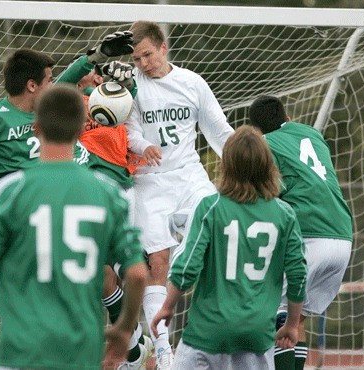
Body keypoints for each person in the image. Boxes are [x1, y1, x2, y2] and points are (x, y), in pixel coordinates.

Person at [0, 84, 149, 369]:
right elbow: (137, 275)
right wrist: (124, 331)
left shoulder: (8, 193)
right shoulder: (107, 193)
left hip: (22, 351)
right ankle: (138, 348)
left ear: (36, 128)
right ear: (81, 131)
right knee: (106, 276)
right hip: (82, 352)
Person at [151, 125, 307, 370]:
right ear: (268, 166)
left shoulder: (211, 207)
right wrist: (293, 323)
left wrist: (167, 307)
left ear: (228, 165)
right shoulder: (285, 214)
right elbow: (298, 274)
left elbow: (187, 268)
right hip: (257, 335)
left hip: (207, 333)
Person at [126, 20, 235, 369]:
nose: (143, 63)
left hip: (189, 176)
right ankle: (162, 347)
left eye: (147, 55)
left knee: (214, 232)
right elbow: (128, 132)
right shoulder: (131, 87)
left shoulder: (192, 83)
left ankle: (217, 327)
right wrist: (144, 146)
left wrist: (248, 161)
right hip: (150, 181)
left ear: (163, 48)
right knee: (158, 262)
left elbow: (218, 130)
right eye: (137, 58)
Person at [0, 31, 134, 217]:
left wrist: (99, 54)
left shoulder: (47, 111)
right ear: (32, 86)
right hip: (13, 208)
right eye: (50, 80)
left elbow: (69, 80)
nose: (54, 85)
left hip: (51, 204)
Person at [248, 95, 353, 370]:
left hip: (310, 236)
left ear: (257, 131)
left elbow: (268, 193)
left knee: (276, 313)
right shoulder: (311, 134)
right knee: (297, 318)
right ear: (288, 118)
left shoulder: (265, 145)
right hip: (342, 236)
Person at [67, 53, 153, 369]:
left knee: (117, 270)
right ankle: (132, 347)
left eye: (100, 74)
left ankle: (136, 344)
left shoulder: (113, 100)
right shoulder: (75, 103)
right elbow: (59, 88)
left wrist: (126, 83)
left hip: (117, 187)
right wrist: (89, 60)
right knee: (100, 275)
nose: (96, 77)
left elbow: (134, 102)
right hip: (86, 189)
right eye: (92, 74)